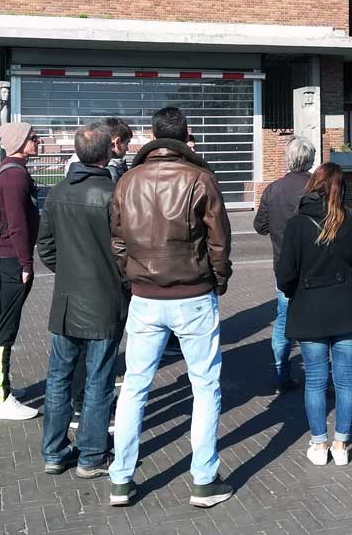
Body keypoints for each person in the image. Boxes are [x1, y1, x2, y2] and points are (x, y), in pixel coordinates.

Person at [108, 106, 233, 509]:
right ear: (186, 135)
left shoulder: (128, 180)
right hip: (193, 293)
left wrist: (132, 274)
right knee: (205, 386)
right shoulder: (200, 178)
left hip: (145, 295)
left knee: (134, 388)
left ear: (153, 135)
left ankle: (121, 479)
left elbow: (118, 238)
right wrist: (219, 279)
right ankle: (202, 479)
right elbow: (219, 240)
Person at [38, 122, 128, 478]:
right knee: (99, 378)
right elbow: (126, 250)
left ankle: (54, 452)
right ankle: (91, 456)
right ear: (108, 153)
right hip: (104, 299)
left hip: (66, 299)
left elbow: (45, 246)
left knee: (59, 376)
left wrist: (68, 272)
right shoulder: (114, 194)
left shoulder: (56, 191)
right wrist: (121, 281)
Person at [276, 162, 352, 466]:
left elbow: (285, 276)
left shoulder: (297, 224)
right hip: (347, 308)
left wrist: (296, 294)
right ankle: (341, 443)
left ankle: (319, 444)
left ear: (313, 185)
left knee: (316, 380)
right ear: (340, 188)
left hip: (310, 309)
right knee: (346, 380)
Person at [0, 121, 42, 420]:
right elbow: (18, 224)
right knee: (5, 328)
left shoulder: (4, 171)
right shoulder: (16, 175)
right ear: (20, 141)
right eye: (33, 138)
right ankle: (2, 399)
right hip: (11, 260)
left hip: (0, 256)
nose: (38, 141)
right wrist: (26, 264)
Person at [255, 135, 316, 393]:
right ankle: (317, 377)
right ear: (311, 159)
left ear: (287, 159)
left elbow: (260, 226)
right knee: (316, 324)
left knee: (282, 321)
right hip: (315, 266)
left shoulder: (273, 189)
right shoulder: (317, 188)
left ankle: (281, 374)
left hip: (283, 265)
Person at [64, 117, 133, 183]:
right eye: (127, 143)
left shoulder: (74, 166)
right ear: (117, 142)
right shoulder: (111, 171)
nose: (127, 148)